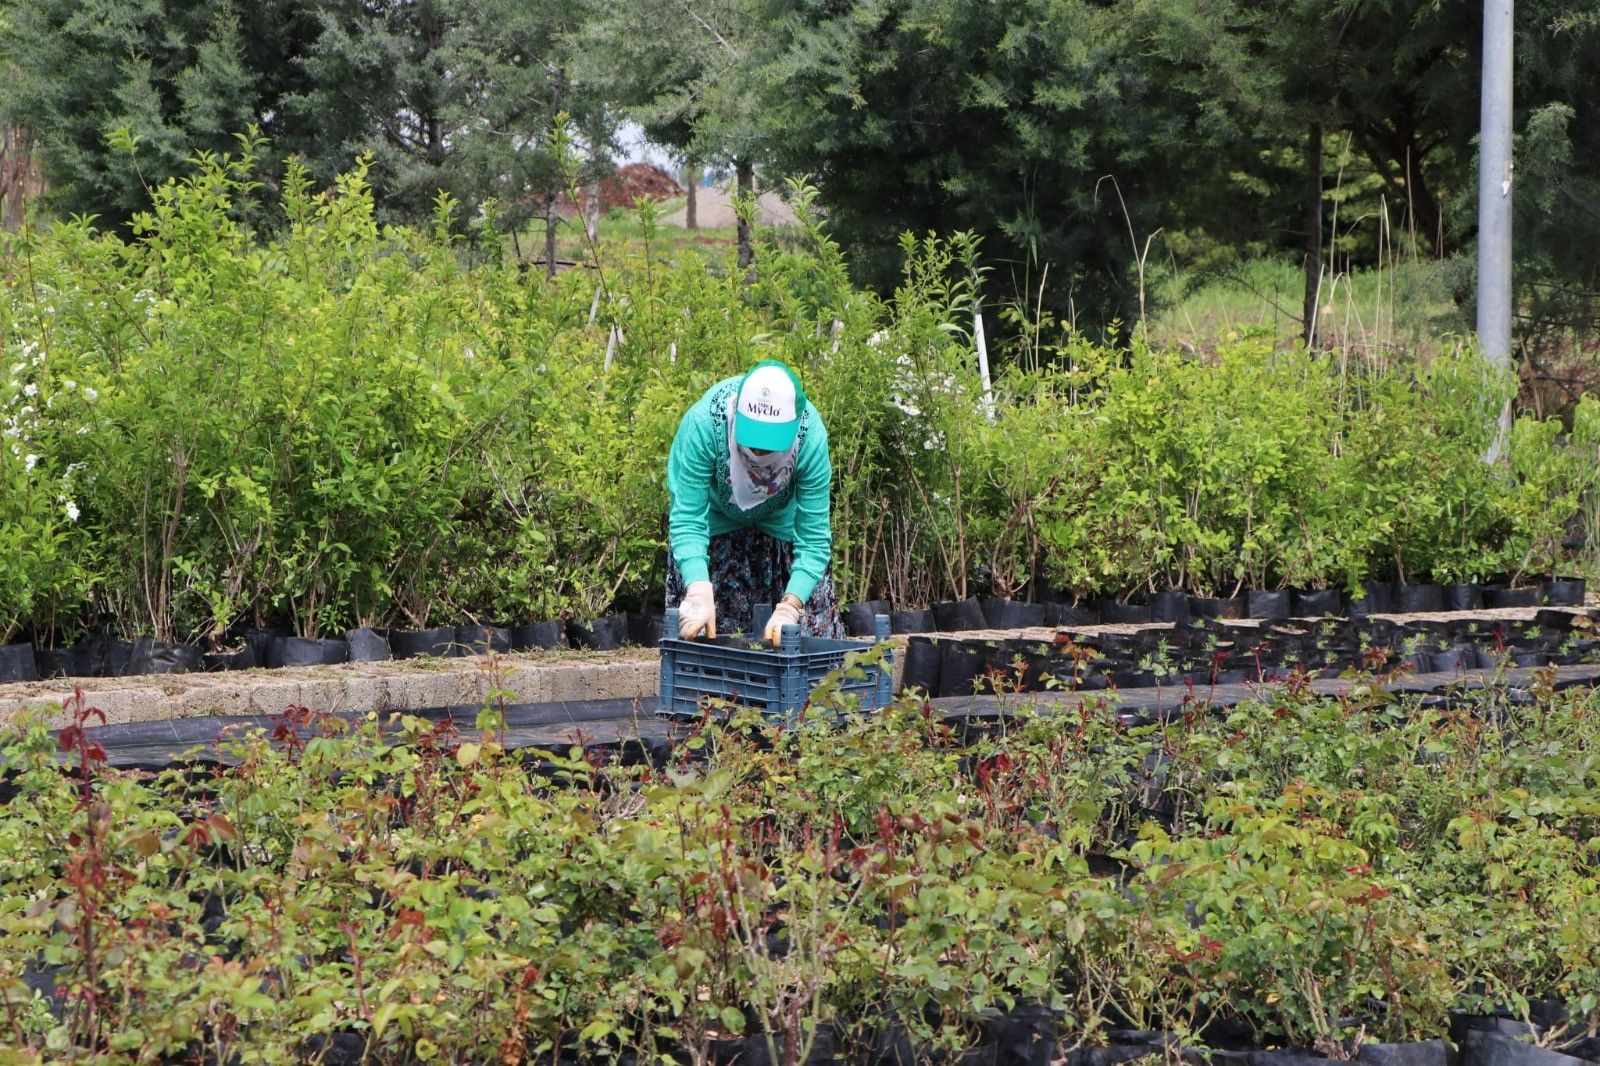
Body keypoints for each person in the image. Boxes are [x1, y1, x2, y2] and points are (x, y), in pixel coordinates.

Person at [665, 359, 843, 645]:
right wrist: (698, 588)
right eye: (753, 441)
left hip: (779, 518)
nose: (758, 453)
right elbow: (688, 520)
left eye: (770, 443)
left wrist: (790, 605)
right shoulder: (705, 425)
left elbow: (813, 539)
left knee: (800, 639)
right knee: (713, 641)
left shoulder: (810, 440)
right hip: (715, 516)